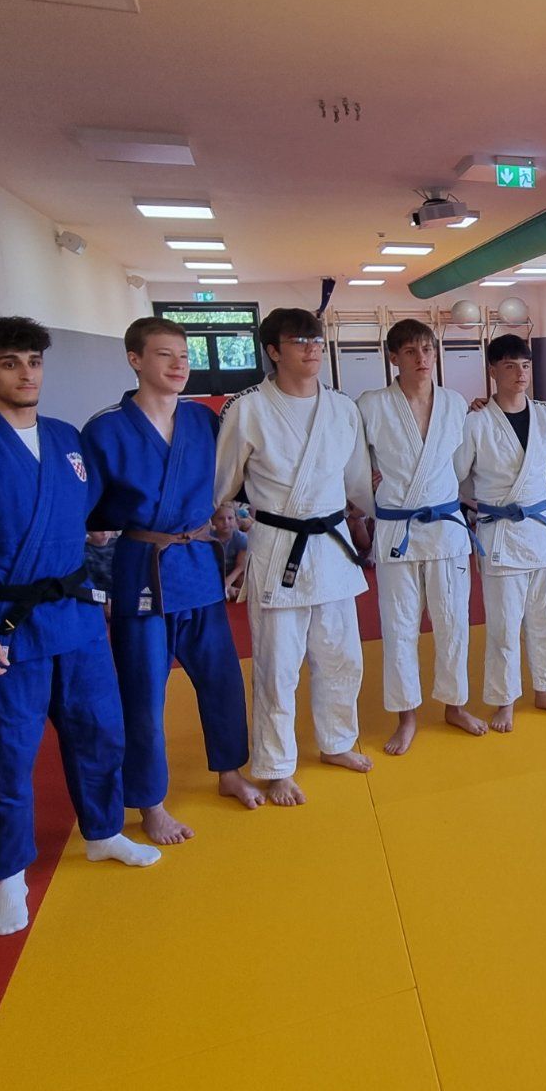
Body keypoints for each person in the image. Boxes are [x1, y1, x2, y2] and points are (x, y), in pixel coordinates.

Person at [0, 316, 159, 936]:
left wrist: (96, 534)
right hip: (3, 624)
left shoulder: (66, 437)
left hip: (74, 616)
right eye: (10, 363)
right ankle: (9, 876)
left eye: (35, 361)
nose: (27, 373)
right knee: (6, 754)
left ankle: (103, 832)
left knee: (101, 732)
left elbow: (84, 509)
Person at [83, 317, 260, 845]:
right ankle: (151, 802)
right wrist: (94, 541)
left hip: (198, 563)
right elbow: (88, 509)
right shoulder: (105, 428)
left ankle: (229, 770)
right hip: (142, 565)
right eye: (165, 355)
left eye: (184, 356)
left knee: (222, 678)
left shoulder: (202, 420)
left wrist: (225, 513)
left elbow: (227, 481)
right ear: (135, 360)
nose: (179, 365)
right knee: (141, 691)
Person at [214, 308, 375, 804]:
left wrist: (381, 519)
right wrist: (213, 516)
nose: (311, 349)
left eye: (316, 340)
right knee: (277, 665)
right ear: (273, 350)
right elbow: (224, 481)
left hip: (331, 547)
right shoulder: (247, 409)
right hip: (278, 546)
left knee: (342, 656)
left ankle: (337, 741)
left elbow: (357, 481)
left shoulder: (342, 408)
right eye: (299, 340)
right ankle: (276, 765)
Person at [357, 318, 487, 755]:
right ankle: (406, 716)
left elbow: (463, 466)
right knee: (399, 627)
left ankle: (455, 705)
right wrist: (375, 500)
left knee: (454, 622)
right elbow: (356, 467)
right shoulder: (372, 405)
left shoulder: (455, 404)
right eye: (411, 351)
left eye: (428, 350)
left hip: (446, 529)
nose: (422, 358)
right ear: (393, 357)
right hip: (398, 529)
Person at [455, 333, 546, 731]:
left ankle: (544, 689)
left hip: (542, 534)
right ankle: (504, 699)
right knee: (504, 626)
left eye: (525, 366)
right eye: (510, 366)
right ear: (493, 370)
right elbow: (459, 477)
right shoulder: (475, 422)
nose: (520, 374)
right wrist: (484, 506)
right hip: (501, 534)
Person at [211, 502, 248, 600]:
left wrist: (228, 582)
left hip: (233, 574)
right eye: (220, 518)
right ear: (213, 521)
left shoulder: (241, 538)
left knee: (243, 579)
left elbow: (241, 566)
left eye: (230, 518)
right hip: (213, 574)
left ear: (236, 520)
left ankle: (230, 591)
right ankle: (226, 592)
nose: (226, 522)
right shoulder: (209, 537)